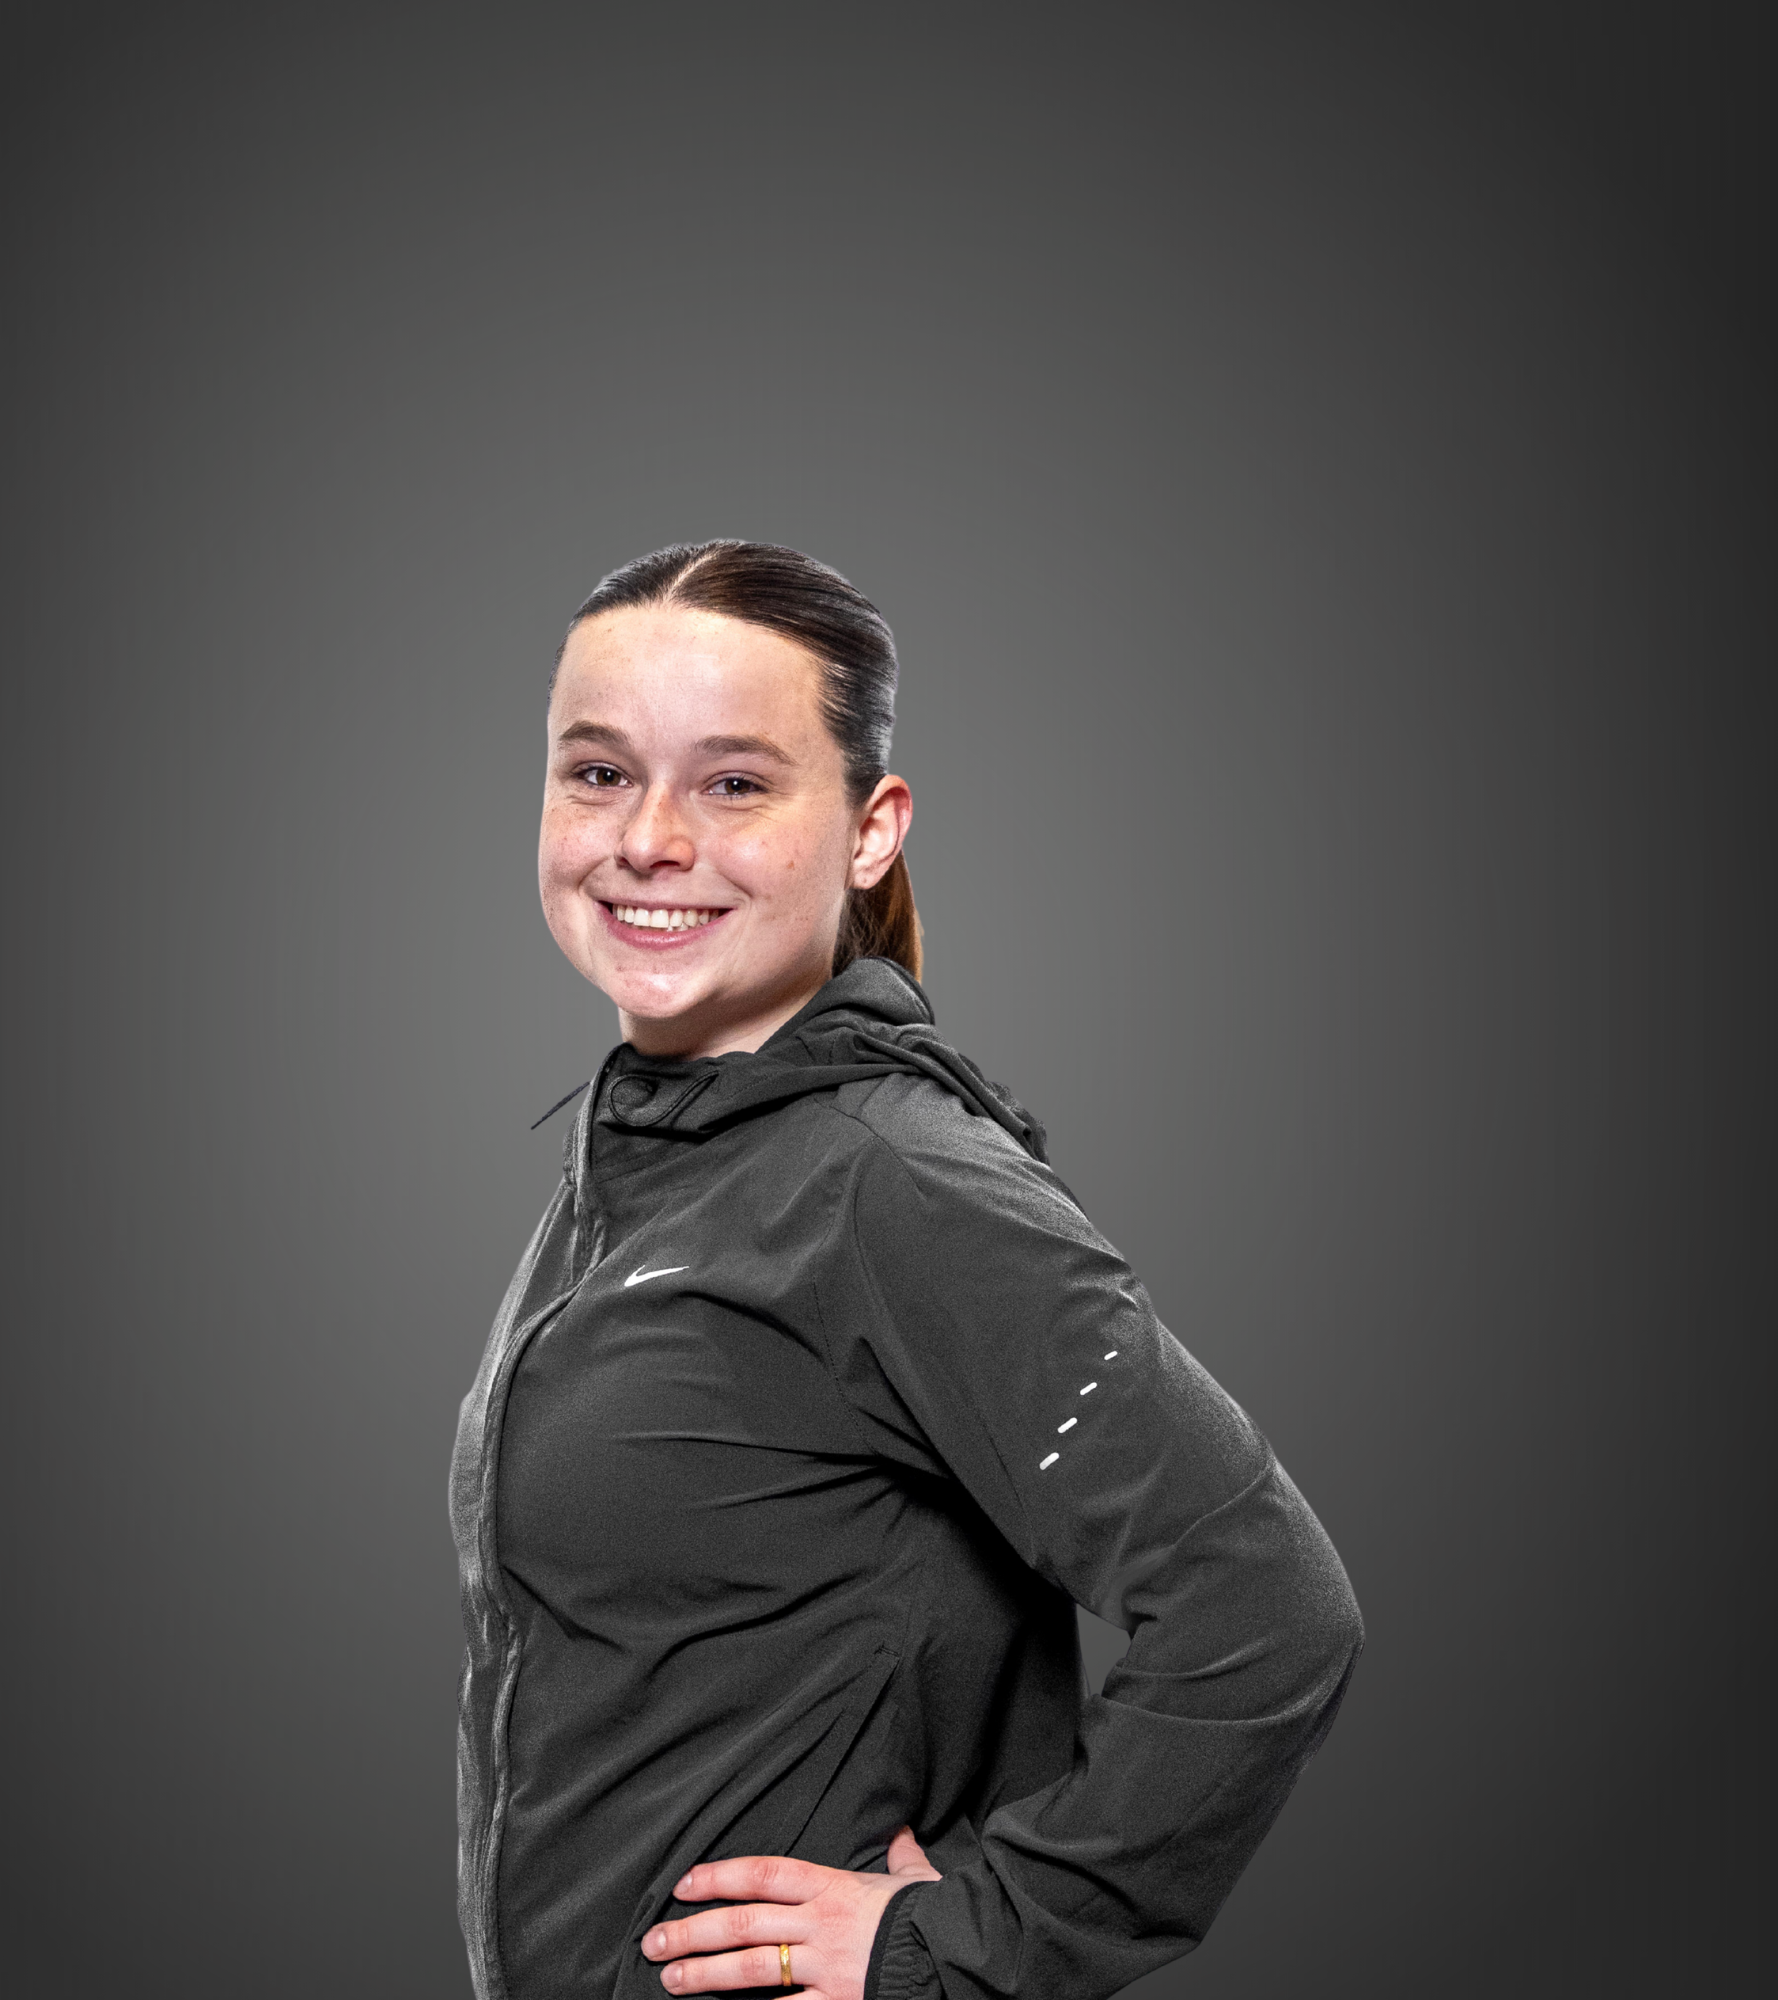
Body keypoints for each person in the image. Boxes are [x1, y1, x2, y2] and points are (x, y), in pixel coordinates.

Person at [450, 541, 1362, 2000]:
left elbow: (1261, 1608)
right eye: (600, 773)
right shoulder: (658, 1146)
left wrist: (969, 1942)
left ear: (872, 831)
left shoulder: (895, 1182)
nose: (649, 839)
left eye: (734, 784)